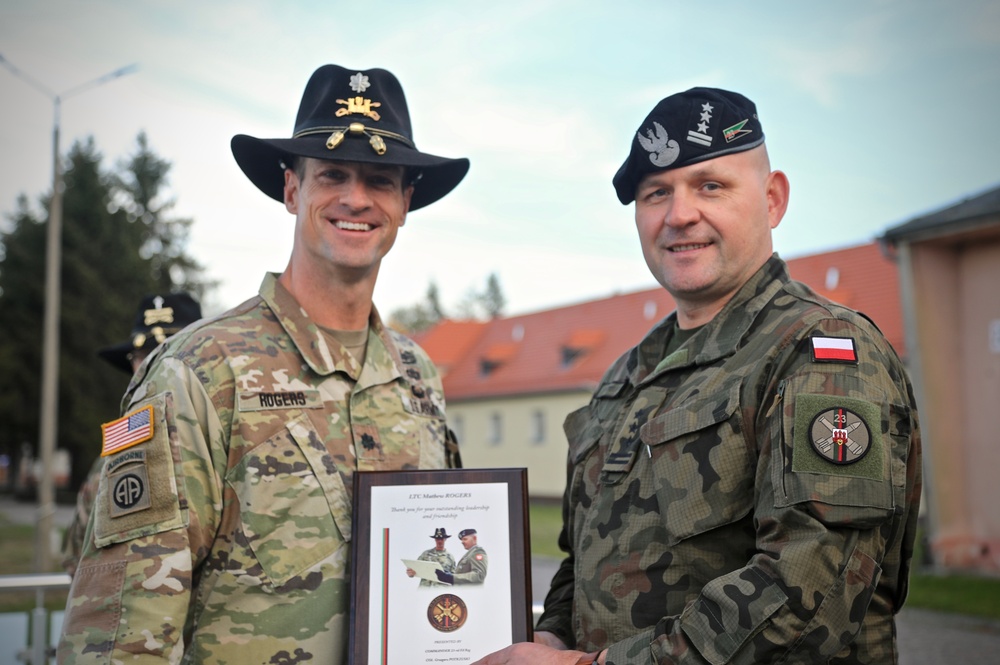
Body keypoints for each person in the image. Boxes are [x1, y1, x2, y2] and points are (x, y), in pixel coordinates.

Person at [476, 88, 922, 664]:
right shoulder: (625, 376)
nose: (679, 214)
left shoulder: (821, 355)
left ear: (772, 199)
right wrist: (554, 636)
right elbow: (585, 556)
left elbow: (813, 597)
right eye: (656, 193)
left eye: (710, 186)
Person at [57, 64, 469, 663]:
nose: (356, 198)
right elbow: (119, 636)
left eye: (379, 180)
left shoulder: (417, 375)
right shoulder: (197, 371)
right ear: (292, 190)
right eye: (332, 174)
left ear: (405, 203)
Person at [60, 292, 202, 576]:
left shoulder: (234, 435)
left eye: (166, 357)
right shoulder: (119, 446)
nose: (154, 371)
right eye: (143, 358)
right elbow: (77, 558)